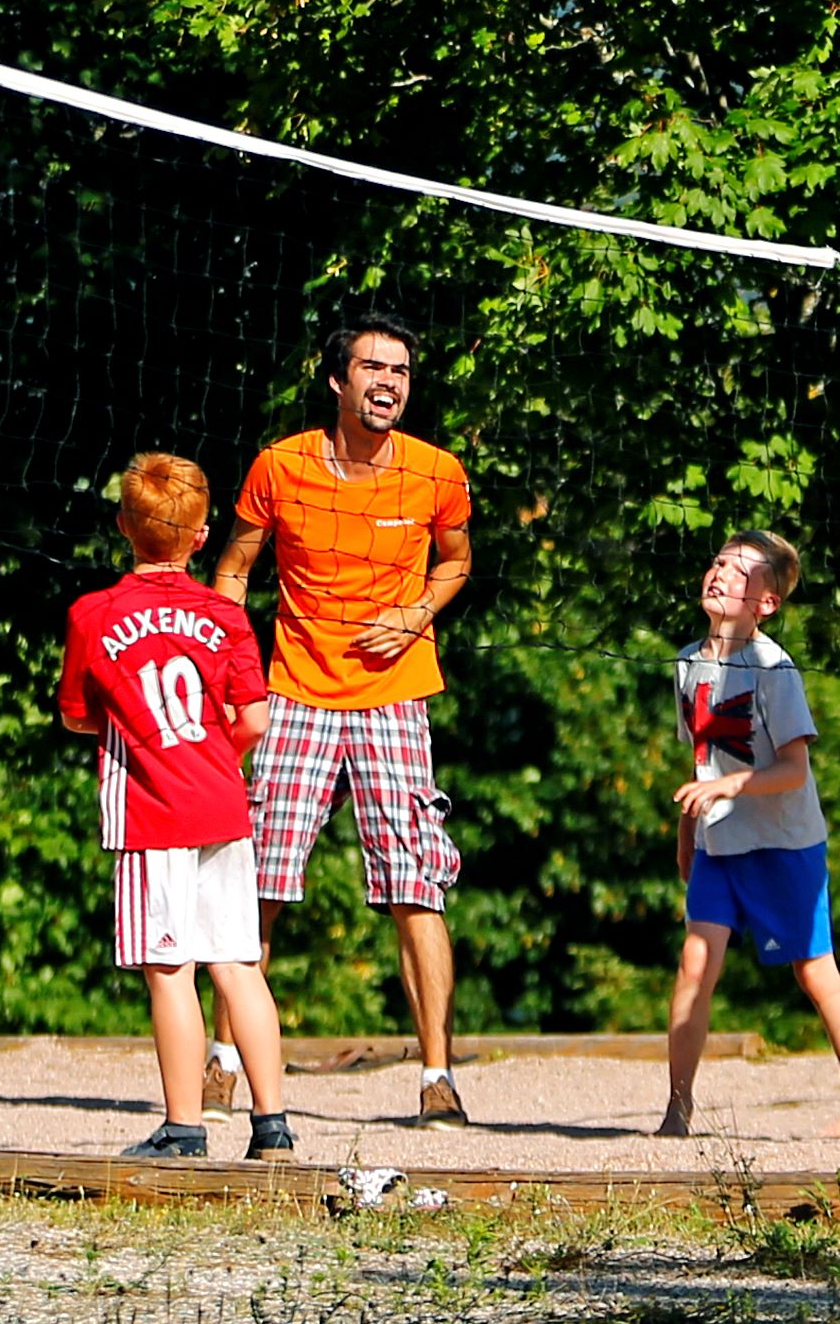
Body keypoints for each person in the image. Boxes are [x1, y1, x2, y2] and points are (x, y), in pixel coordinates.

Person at [218, 313, 475, 1121]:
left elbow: (457, 559)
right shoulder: (279, 466)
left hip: (395, 697)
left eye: (400, 370)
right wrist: (234, 679)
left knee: (417, 885)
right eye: (374, 368)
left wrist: (417, 612)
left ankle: (437, 1078)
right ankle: (224, 1061)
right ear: (338, 380)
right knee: (257, 882)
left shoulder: (436, 472)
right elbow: (233, 570)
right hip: (294, 693)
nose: (389, 383)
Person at [63, 451, 293, 1163]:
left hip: (148, 811)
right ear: (200, 539)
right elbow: (253, 718)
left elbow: (77, 716)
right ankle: (274, 1126)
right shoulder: (225, 614)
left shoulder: (93, 614)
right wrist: (212, 756)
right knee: (238, 965)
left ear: (122, 525)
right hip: (223, 805)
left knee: (170, 969)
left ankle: (184, 1127)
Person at [655, 530, 840, 1143]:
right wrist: (688, 834)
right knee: (694, 965)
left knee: (815, 972)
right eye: (718, 563)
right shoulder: (688, 662)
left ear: (767, 602)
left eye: (741, 572)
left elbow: (793, 770)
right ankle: (678, 1110)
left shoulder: (773, 669)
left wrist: (729, 790)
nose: (721, 575)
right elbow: (703, 764)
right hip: (718, 845)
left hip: (784, 844)